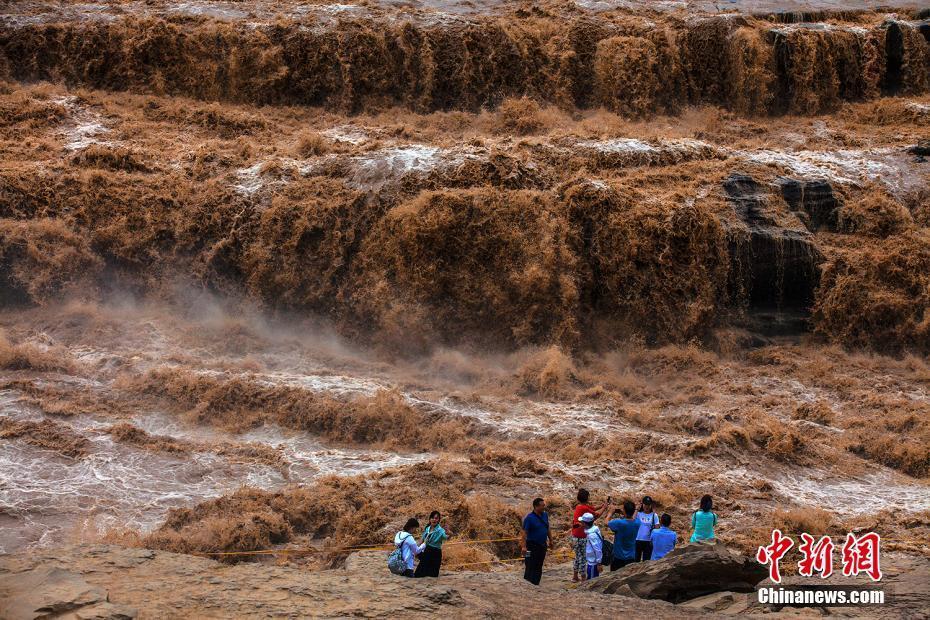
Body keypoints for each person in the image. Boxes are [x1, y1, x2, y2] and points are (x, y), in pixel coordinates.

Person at [571, 489, 610, 582]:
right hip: (582, 536)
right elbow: (595, 515)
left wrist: (602, 505)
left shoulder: (579, 506)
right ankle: (584, 578)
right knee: (584, 558)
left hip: (575, 535)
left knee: (577, 556)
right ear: (587, 497)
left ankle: (575, 576)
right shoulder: (584, 508)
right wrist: (604, 508)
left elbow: (592, 508)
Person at [520, 497, 552, 585]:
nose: (544, 507)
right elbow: (524, 534)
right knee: (529, 564)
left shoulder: (545, 515)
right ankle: (527, 583)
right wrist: (523, 547)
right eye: (542, 506)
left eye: (544, 505)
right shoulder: (529, 518)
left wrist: (551, 540)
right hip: (530, 545)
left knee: (539, 564)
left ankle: (536, 583)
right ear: (536, 507)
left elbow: (547, 527)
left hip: (542, 545)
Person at [606, 500, 639, 571]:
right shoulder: (638, 523)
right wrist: (635, 510)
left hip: (618, 557)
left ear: (624, 511)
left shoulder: (618, 523)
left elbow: (606, 522)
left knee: (615, 578)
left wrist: (610, 513)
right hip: (631, 557)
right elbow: (633, 518)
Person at [414, 510, 449, 578]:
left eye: (436, 518)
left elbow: (445, 537)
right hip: (427, 551)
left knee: (433, 575)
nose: (434, 520)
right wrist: (415, 548)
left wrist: (448, 532)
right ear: (430, 519)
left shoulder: (441, 530)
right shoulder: (427, 528)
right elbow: (422, 539)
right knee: (419, 574)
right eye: (432, 518)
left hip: (436, 553)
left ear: (439, 520)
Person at [634, 496, 659, 562]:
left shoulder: (654, 515)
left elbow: (657, 529)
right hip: (637, 540)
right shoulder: (638, 514)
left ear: (651, 505)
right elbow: (632, 520)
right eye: (645, 504)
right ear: (642, 504)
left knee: (646, 562)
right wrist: (636, 509)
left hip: (648, 541)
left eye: (648, 504)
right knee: (635, 561)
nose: (647, 506)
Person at [579, 512, 603, 580]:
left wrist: (599, 563)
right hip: (592, 562)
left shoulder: (592, 535)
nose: (581, 524)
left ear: (585, 523)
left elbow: (597, 549)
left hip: (593, 563)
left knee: (592, 581)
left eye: (582, 522)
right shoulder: (594, 530)